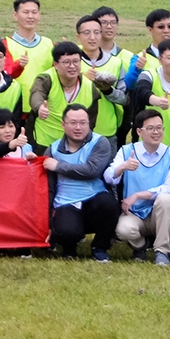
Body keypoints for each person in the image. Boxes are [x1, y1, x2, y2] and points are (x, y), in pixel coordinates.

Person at [106, 109, 170, 266]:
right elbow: (108, 176)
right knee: (123, 230)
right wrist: (123, 167)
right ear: (139, 131)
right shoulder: (127, 151)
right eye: (151, 128)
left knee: (166, 199)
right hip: (134, 213)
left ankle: (162, 251)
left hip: (159, 214)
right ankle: (140, 246)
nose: (156, 132)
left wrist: (138, 195)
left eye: (159, 128)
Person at [44, 105, 118, 261]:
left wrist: (59, 166)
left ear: (89, 123)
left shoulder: (100, 142)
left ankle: (100, 247)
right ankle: (69, 246)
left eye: (83, 123)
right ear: (63, 125)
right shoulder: (52, 149)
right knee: (66, 231)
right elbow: (48, 187)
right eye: (73, 123)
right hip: (65, 202)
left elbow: (92, 170)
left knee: (109, 205)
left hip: (94, 198)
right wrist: (48, 220)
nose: (78, 127)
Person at [29, 41, 97, 148]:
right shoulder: (46, 79)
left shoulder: (89, 87)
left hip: (75, 144)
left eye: (76, 61)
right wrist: (39, 107)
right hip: (44, 142)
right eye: (66, 62)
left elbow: (91, 121)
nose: (72, 66)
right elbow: (37, 94)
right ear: (55, 64)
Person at [3, 0, 51, 86]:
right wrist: (18, 65)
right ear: (15, 15)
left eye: (34, 12)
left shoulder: (49, 44)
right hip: (16, 95)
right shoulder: (6, 45)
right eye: (26, 12)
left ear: (39, 15)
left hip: (42, 95)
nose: (30, 16)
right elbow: (3, 74)